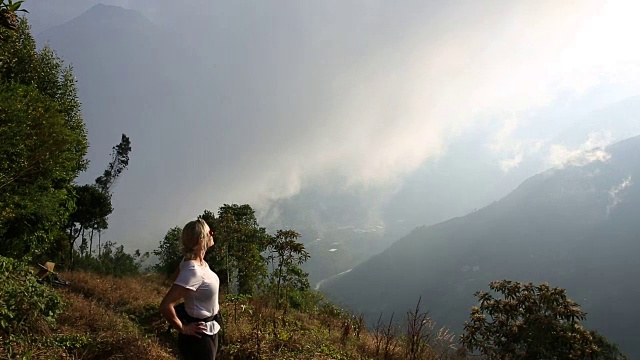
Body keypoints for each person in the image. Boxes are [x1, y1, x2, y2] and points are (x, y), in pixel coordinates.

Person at [160, 218, 220, 360]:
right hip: (199, 336)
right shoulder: (193, 270)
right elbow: (165, 305)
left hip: (211, 327)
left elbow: (174, 279)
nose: (212, 234)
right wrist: (183, 328)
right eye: (210, 232)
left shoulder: (194, 263)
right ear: (201, 240)